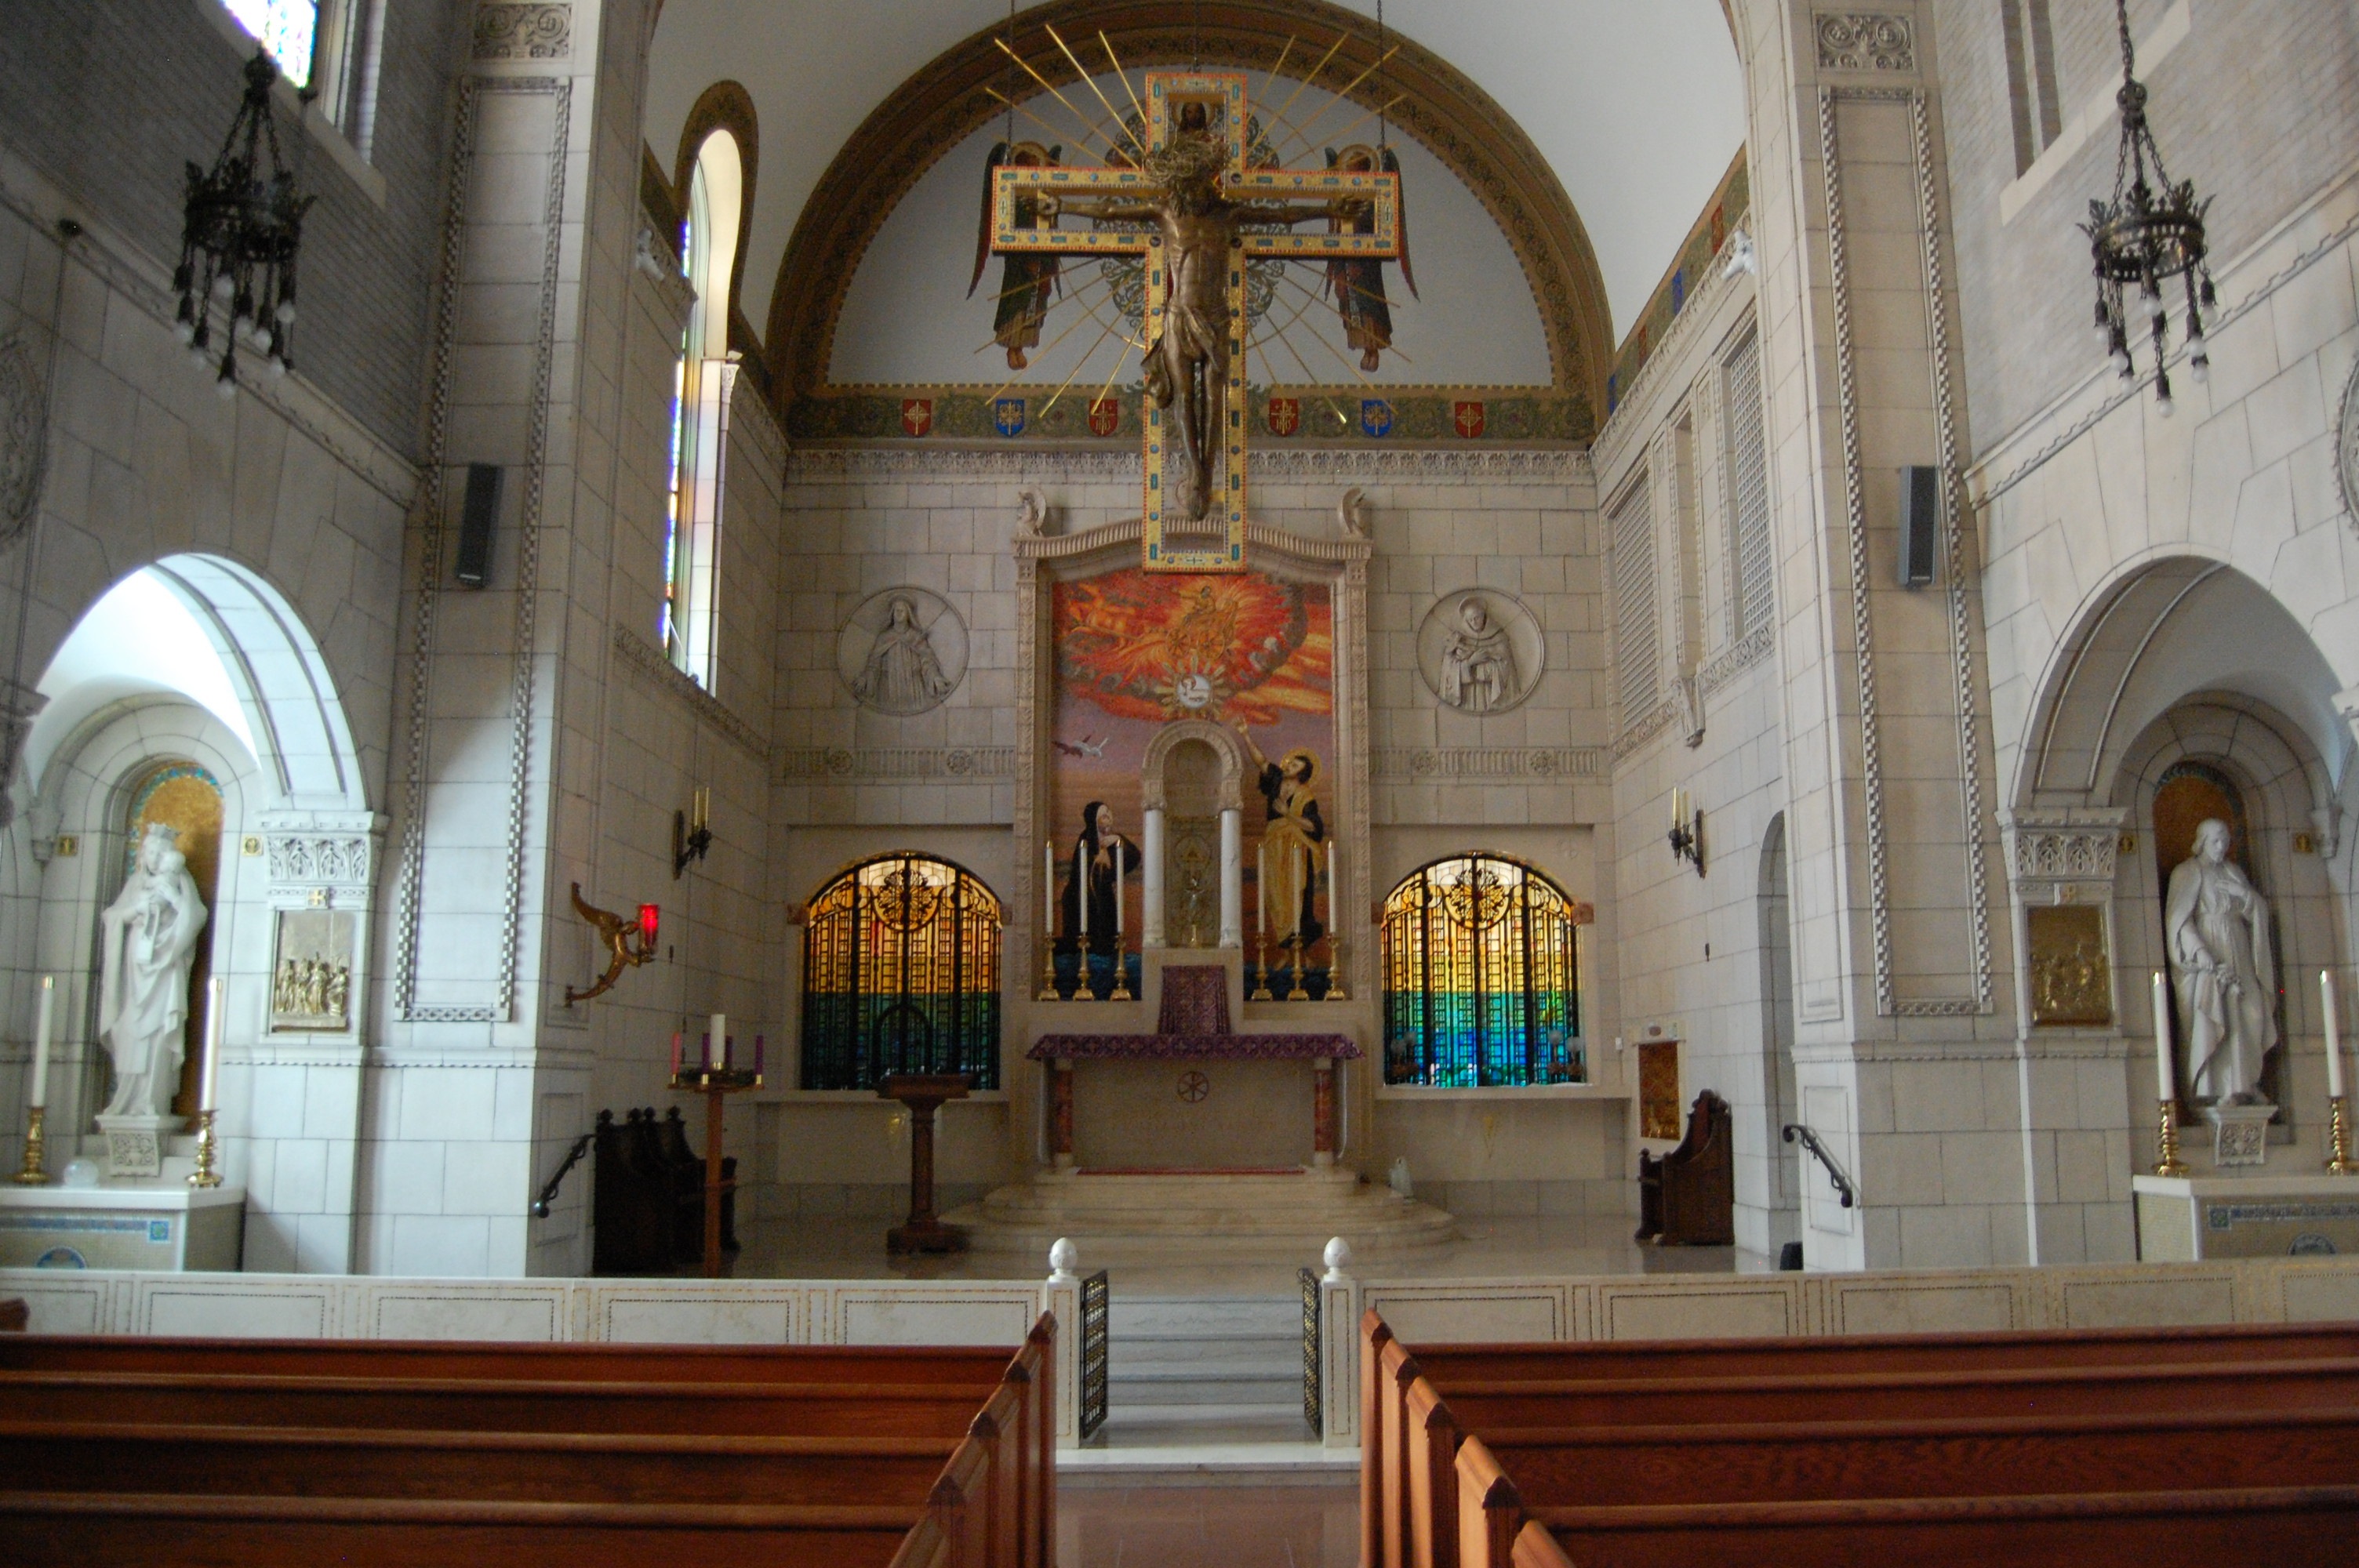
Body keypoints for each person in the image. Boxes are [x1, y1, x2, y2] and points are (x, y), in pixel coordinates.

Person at [96, 822, 209, 1119]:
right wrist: (136, 911)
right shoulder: (135, 884)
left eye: (158, 852)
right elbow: (113, 916)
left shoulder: (179, 881)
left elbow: (195, 914)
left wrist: (171, 899)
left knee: (158, 1034)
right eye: (148, 852)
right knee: (129, 1032)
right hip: (134, 969)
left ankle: (151, 1101)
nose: (153, 857)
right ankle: (126, 1099)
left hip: (164, 970)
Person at [2165, 818, 2278, 1103]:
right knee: (2218, 1014)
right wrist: (2202, 954)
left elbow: (2256, 913)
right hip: (2209, 953)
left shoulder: (2234, 872)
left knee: (2251, 1014)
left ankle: (2245, 1084)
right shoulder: (2187, 872)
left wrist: (2247, 897)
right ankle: (2217, 1087)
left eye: (2226, 841)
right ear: (2202, 841)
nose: (2222, 847)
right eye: (2216, 841)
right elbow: (2179, 921)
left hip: (2239, 949)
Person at [1238, 724, 1326, 952]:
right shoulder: (1277, 780)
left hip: (1296, 849)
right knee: (1274, 890)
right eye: (1290, 762)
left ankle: (1295, 936)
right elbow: (1261, 761)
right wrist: (1246, 735)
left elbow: (1314, 826)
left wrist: (1289, 816)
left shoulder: (1306, 796)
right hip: (1273, 844)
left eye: (1295, 765)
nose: (1288, 765)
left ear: (1303, 773)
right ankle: (1283, 932)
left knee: (1294, 889)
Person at [1060, 802, 1139, 993]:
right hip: (1083, 898)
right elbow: (1083, 871)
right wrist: (1100, 859)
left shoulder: (1115, 840)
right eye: (1104, 815)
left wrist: (1115, 846)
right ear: (1094, 821)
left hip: (1103, 896)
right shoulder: (1086, 840)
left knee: (1107, 929)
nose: (1109, 817)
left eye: (1109, 813)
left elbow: (1134, 856)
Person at [852, 596, 954, 713]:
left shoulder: (915, 637)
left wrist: (935, 677)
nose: (899, 613)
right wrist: (865, 678)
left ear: (909, 614)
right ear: (892, 614)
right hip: (889, 687)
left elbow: (927, 661)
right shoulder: (884, 638)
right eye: (896, 610)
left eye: (902, 610)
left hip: (913, 686)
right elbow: (874, 664)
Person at [1438, 596, 1516, 712]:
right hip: (1467, 695)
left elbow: (1506, 667)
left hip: (1490, 691)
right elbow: (1448, 672)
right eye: (1470, 620)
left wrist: (1486, 666)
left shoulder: (1499, 638)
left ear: (1484, 617)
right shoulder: (1457, 640)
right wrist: (1470, 662)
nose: (1474, 622)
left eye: (1477, 618)